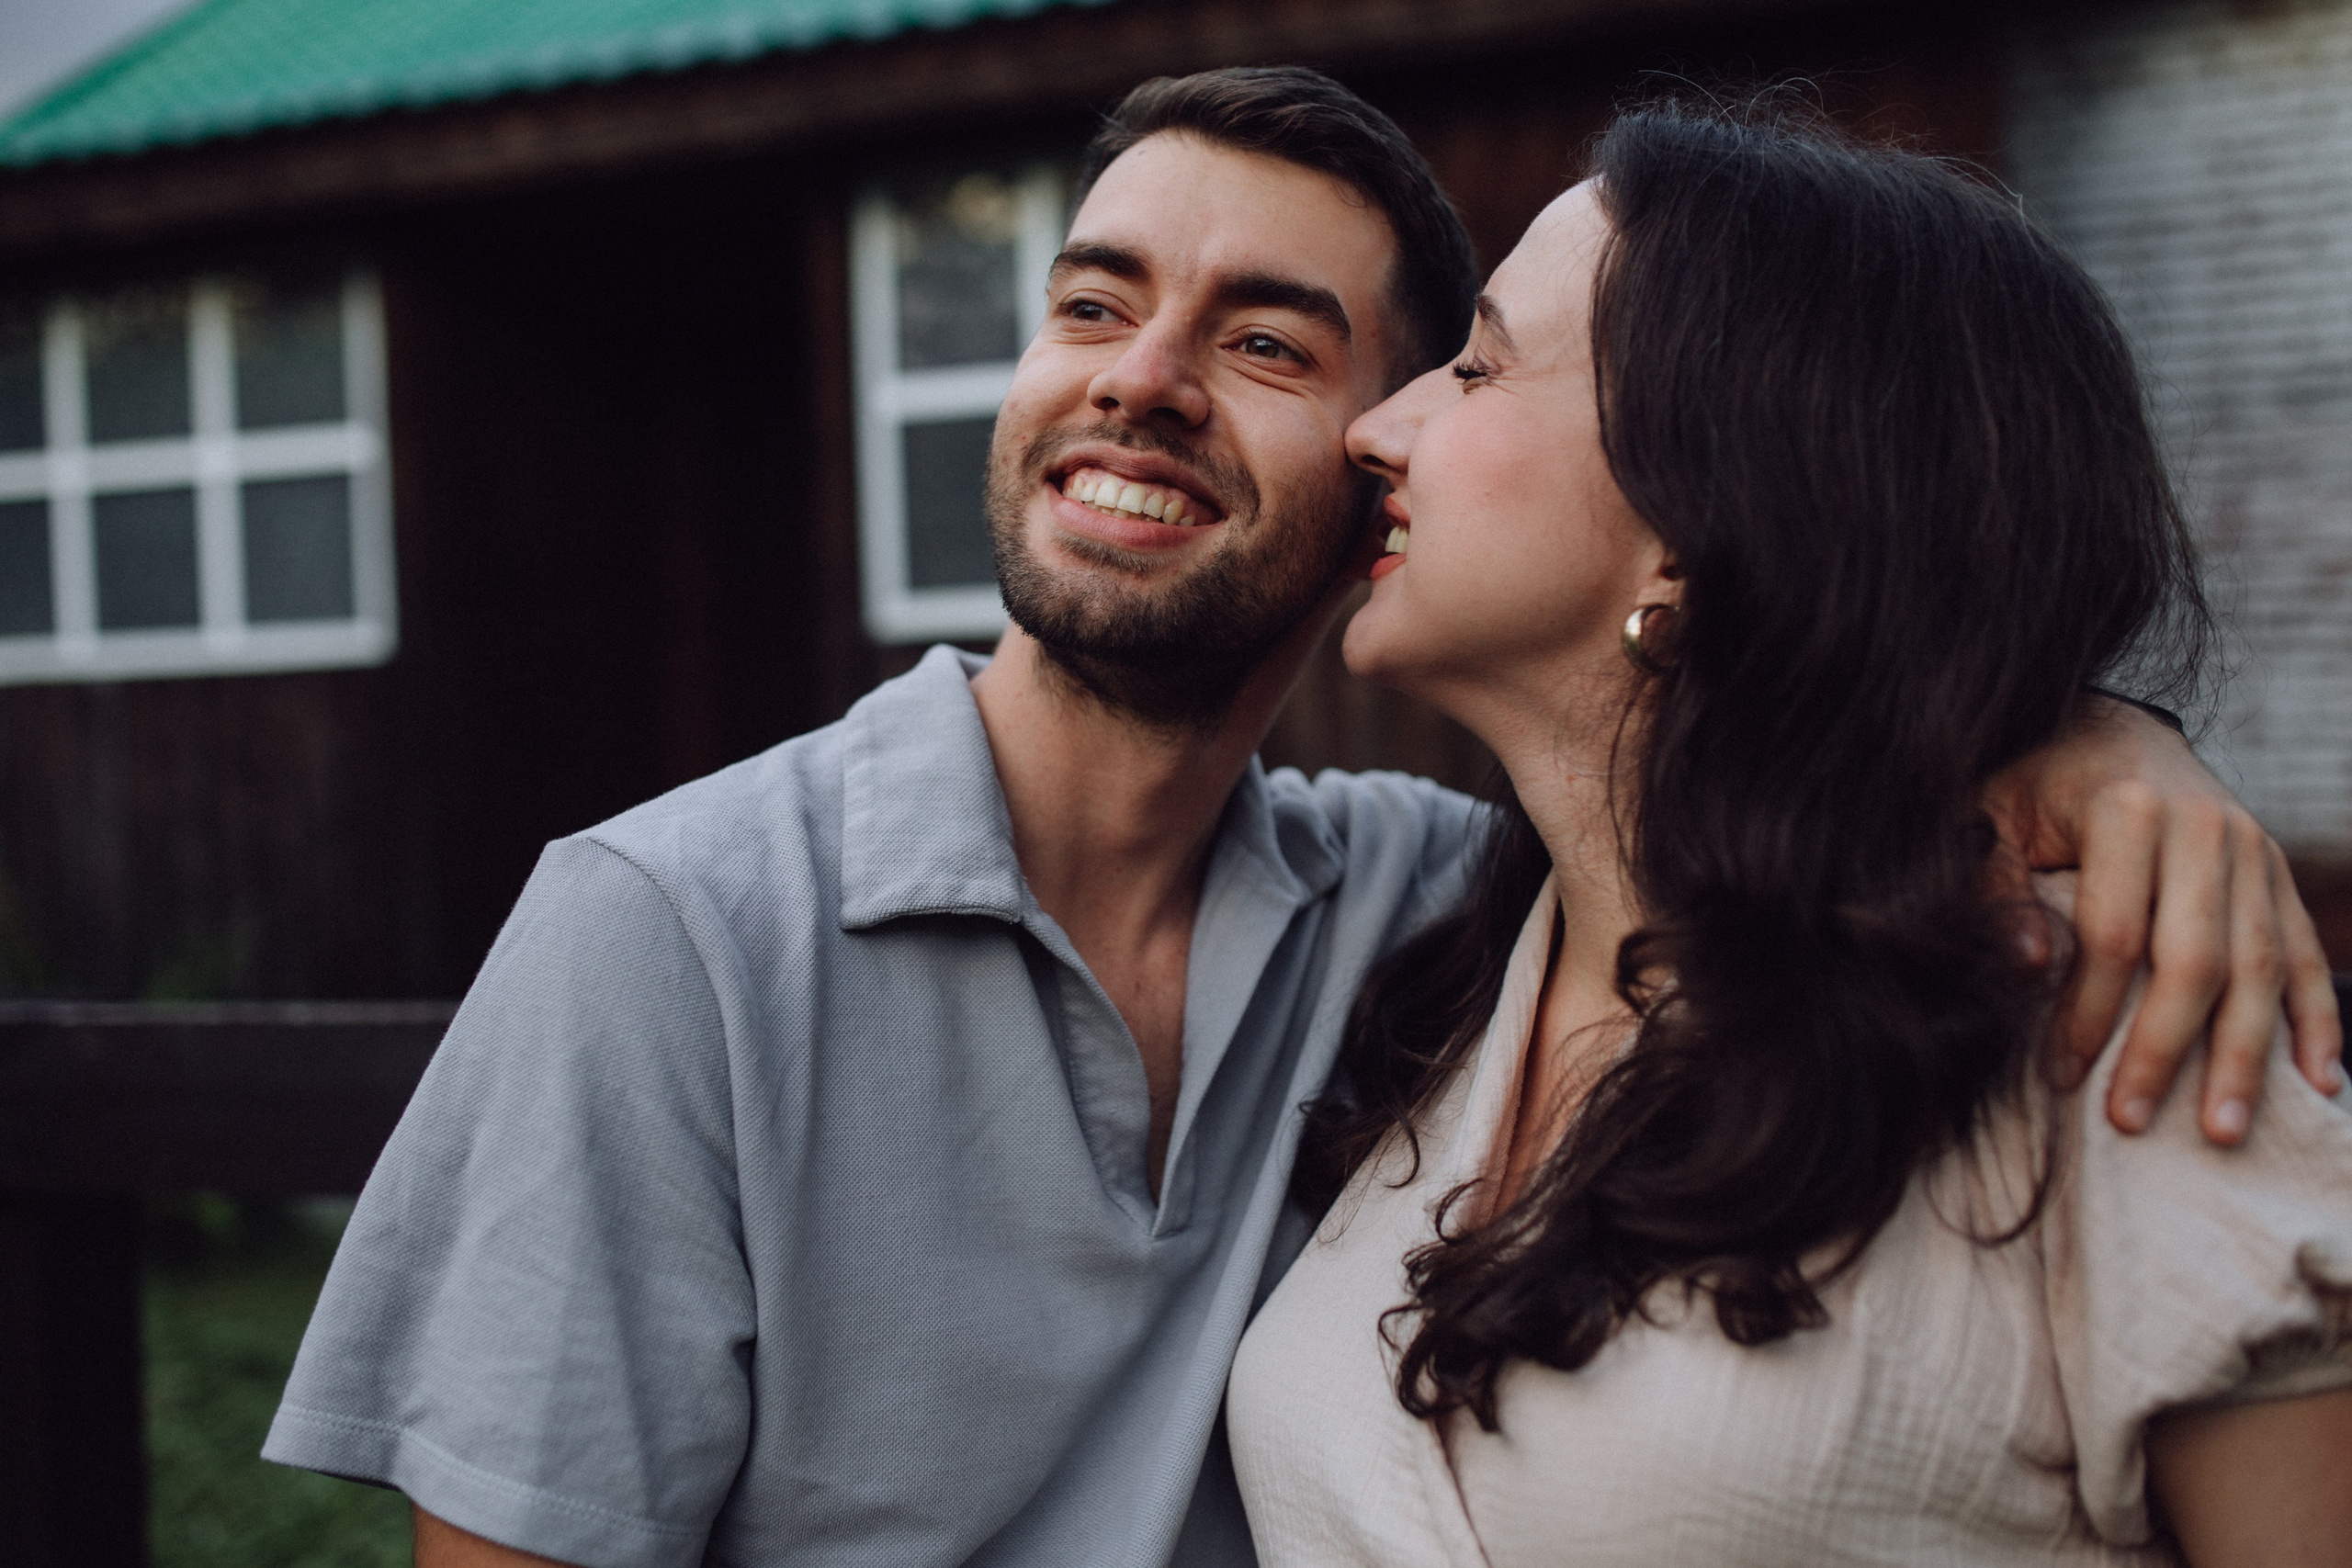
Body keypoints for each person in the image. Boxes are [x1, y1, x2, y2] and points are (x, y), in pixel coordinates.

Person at [262, 71, 2340, 1568]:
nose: (1141, 379)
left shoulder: (1426, 908)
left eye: (1272, 341)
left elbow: (1788, 771)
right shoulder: (671, 927)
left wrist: (2083, 734)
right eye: (1087, 304)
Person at [1226, 99, 2352, 1566]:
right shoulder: (1429, 968)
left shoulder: (2108, 1022)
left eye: (1484, 363)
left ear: (1699, 508)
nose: (1378, 427)